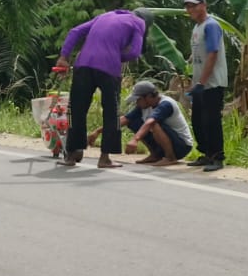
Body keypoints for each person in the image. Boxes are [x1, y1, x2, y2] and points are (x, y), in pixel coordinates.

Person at [56, 9, 146, 168]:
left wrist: (64, 57)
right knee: (111, 112)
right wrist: (116, 56)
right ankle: (104, 158)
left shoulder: (104, 16)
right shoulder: (139, 22)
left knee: (76, 109)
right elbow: (134, 52)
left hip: (83, 64)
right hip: (109, 68)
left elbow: (74, 31)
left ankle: (71, 155)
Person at [88, 80, 193, 166]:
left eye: (138, 99)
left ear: (148, 97)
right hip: (166, 142)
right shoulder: (144, 106)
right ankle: (155, 155)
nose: (136, 102)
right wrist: (98, 131)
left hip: (181, 146)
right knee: (133, 122)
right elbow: (124, 120)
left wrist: (135, 139)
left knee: (153, 124)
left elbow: (150, 122)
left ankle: (170, 158)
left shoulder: (166, 104)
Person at [183, 0, 228, 172]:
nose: (191, 9)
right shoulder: (197, 28)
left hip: (212, 82)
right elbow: (198, 52)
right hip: (199, 83)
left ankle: (217, 157)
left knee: (211, 120)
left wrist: (202, 81)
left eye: (194, 5)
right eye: (188, 6)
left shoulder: (211, 25)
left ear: (204, 5)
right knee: (198, 119)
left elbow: (213, 53)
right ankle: (206, 153)